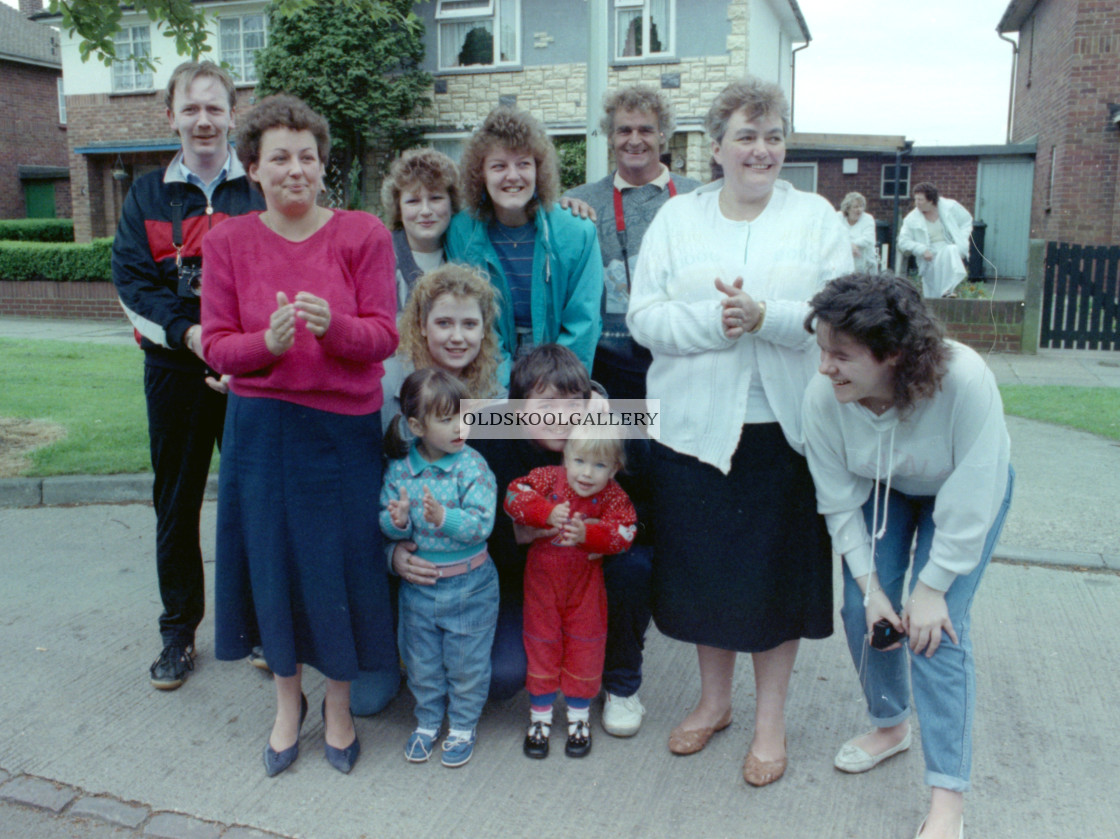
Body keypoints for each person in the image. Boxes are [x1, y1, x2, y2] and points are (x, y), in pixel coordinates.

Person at [626, 76, 853, 787]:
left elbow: (837, 315)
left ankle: (769, 721)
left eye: (774, 135)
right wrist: (716, 323)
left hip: (784, 436)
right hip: (695, 434)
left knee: (778, 582)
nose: (762, 149)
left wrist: (767, 317)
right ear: (716, 146)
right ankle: (714, 702)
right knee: (705, 576)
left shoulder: (817, 218)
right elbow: (644, 318)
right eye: (747, 136)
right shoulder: (676, 221)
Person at [201, 95, 399, 777]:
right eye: (278, 157)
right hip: (262, 431)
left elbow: (382, 335)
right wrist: (269, 341)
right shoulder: (227, 240)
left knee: (341, 567)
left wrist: (332, 328)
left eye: (307, 157)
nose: (295, 169)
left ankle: (338, 705)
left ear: (323, 166)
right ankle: (290, 705)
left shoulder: (363, 234)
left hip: (341, 432)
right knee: (274, 566)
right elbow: (220, 349)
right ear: (252, 167)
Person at [802, 273, 1013, 839]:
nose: (825, 368)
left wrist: (933, 587)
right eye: (822, 350)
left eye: (841, 355)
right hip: (883, 490)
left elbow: (974, 495)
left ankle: (947, 797)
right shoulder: (823, 396)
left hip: (965, 489)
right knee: (860, 609)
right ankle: (891, 724)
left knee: (934, 631)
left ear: (893, 353)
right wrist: (873, 591)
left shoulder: (964, 379)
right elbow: (838, 502)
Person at [111, 60, 266, 691]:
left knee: (254, 499)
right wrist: (193, 334)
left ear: (234, 114)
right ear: (170, 115)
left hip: (250, 375)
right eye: (191, 108)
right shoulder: (146, 194)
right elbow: (132, 283)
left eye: (215, 107)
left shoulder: (257, 190)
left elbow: (275, 278)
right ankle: (178, 633)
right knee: (175, 503)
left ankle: (258, 627)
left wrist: (241, 349)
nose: (203, 120)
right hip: (174, 371)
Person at [392, 345, 654, 715]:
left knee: (635, 566)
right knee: (502, 677)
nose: (562, 418)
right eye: (546, 407)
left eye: (573, 405)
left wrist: (613, 533)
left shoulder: (603, 430)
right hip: (521, 576)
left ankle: (621, 684)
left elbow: (649, 501)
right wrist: (511, 536)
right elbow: (438, 488)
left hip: (589, 570)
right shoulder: (485, 436)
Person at [380, 369, 498, 769]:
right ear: (416, 426)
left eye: (464, 415)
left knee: (467, 663)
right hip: (420, 590)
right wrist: (396, 520)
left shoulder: (473, 466)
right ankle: (428, 721)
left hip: (470, 586)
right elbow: (387, 518)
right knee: (422, 662)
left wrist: (443, 516)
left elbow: (482, 523)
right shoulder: (401, 471)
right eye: (446, 419)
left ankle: (463, 725)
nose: (460, 426)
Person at [504, 426, 637, 760]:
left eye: (599, 465)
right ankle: (540, 717)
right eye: (579, 460)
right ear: (565, 455)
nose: (587, 473)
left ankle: (579, 717)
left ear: (615, 468)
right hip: (542, 584)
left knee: (586, 644)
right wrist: (543, 512)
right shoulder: (549, 479)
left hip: (584, 587)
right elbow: (513, 495)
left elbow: (625, 530)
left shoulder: (612, 496)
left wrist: (590, 534)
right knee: (541, 642)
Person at [563, 84, 701, 402]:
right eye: (624, 130)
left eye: (646, 130)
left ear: (663, 134)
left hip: (681, 367)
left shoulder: (700, 197)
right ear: (610, 136)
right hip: (608, 374)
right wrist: (564, 215)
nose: (635, 140)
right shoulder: (579, 202)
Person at [445, 107, 603, 380]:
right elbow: (472, 322)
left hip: (561, 367)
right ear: (480, 173)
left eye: (523, 164)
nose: (513, 176)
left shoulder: (578, 233)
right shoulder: (459, 231)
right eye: (498, 166)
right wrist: (507, 387)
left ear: (539, 170)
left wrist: (551, 388)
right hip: (488, 365)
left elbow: (583, 324)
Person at [395, 263, 503, 400]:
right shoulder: (386, 384)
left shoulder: (495, 396)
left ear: (483, 330)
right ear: (422, 325)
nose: (457, 337)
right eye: (444, 323)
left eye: (470, 324)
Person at [898, 183, 973, 298]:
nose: (916, 203)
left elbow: (966, 221)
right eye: (916, 199)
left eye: (920, 200)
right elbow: (903, 242)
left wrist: (961, 240)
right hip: (929, 256)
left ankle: (948, 290)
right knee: (931, 293)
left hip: (948, 248)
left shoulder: (950, 207)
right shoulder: (911, 219)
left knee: (951, 250)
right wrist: (921, 249)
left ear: (931, 200)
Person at [839, 191, 878, 273]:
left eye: (861, 206)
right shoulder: (839, 218)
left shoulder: (868, 219)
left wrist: (852, 244)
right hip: (843, 264)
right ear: (847, 208)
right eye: (855, 207)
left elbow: (868, 239)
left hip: (865, 265)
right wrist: (849, 246)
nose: (859, 210)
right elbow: (834, 236)